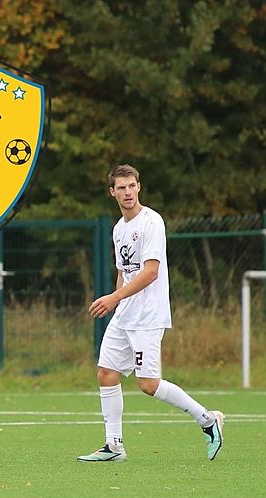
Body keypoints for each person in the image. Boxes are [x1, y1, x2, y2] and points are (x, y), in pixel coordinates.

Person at [78, 164, 224, 463]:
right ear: (112, 192)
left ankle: (208, 420)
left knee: (148, 385)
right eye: (121, 188)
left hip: (147, 316)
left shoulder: (151, 222)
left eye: (131, 186)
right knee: (106, 373)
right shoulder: (119, 229)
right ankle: (114, 446)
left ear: (139, 187)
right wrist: (116, 306)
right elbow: (124, 272)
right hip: (125, 315)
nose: (127, 192)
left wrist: (113, 297)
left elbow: (151, 272)